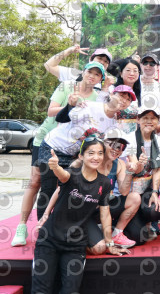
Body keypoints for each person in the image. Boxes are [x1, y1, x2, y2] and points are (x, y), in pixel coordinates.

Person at [11, 62, 103, 247]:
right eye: (89, 72)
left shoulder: (98, 97)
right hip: (49, 141)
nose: (92, 76)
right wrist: (71, 104)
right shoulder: (68, 86)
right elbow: (53, 112)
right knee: (40, 183)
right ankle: (29, 228)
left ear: (101, 78)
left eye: (97, 74)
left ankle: (59, 230)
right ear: (83, 72)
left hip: (73, 149)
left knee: (65, 188)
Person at [31, 137, 128, 294]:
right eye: (91, 153)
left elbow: (105, 214)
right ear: (81, 156)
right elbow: (62, 175)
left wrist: (109, 243)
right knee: (41, 290)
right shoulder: (71, 175)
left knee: (71, 291)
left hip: (75, 245)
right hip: (50, 240)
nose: (96, 157)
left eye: (100, 153)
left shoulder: (104, 183)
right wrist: (55, 167)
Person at [36, 85, 135, 220]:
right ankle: (42, 225)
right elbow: (62, 118)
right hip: (53, 147)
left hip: (74, 155)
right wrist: (72, 104)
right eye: (122, 95)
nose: (124, 100)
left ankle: (59, 225)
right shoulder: (90, 106)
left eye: (128, 99)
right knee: (48, 188)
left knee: (66, 189)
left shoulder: (114, 123)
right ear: (112, 94)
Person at [123, 105, 160, 243]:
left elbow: (158, 168)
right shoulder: (130, 139)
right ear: (138, 120)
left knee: (156, 210)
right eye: (145, 118)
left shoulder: (159, 141)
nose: (149, 121)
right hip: (130, 191)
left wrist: (155, 192)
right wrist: (140, 163)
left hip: (147, 188)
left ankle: (146, 221)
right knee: (139, 238)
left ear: (158, 121)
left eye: (153, 118)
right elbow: (134, 168)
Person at [44, 44, 112, 82]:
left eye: (106, 61)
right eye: (100, 58)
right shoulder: (75, 75)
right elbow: (49, 65)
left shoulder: (108, 85)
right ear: (91, 59)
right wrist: (69, 51)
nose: (102, 62)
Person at [110, 58, 143, 134]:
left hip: (131, 137)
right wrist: (129, 58)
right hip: (113, 135)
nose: (132, 73)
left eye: (135, 71)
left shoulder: (139, 93)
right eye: (128, 70)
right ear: (121, 73)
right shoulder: (111, 90)